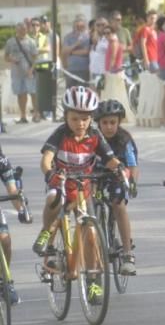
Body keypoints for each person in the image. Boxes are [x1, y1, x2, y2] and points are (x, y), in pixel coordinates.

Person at [33, 87, 122, 305]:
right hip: (61, 182)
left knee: (91, 233)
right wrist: (50, 173)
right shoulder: (60, 133)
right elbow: (46, 160)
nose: (80, 124)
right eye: (75, 119)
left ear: (91, 118)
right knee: (53, 199)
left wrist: (122, 171)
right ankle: (48, 237)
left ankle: (93, 282)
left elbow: (111, 160)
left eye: (85, 119)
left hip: (84, 187)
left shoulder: (94, 135)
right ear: (66, 117)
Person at [93, 100, 139, 276]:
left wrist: (132, 182)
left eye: (113, 122)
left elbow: (133, 165)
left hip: (118, 175)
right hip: (96, 175)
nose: (109, 127)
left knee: (118, 205)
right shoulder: (93, 137)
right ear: (98, 123)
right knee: (89, 202)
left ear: (119, 122)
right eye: (105, 123)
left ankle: (128, 255)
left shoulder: (124, 139)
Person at [0, 147, 32, 304]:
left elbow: (12, 189)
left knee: (5, 240)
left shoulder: (2, 161)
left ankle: (5, 282)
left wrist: (21, 210)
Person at [4, 22, 39, 123]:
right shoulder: (10, 42)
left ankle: (36, 114)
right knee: (21, 94)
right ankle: (23, 116)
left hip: (29, 72)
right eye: (21, 30)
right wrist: (11, 59)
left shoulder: (31, 41)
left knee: (33, 93)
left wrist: (31, 69)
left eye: (24, 29)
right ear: (17, 30)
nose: (23, 31)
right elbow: (5, 56)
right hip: (17, 73)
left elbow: (36, 57)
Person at [62, 16, 92, 85]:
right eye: (77, 26)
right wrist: (76, 44)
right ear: (74, 26)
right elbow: (64, 51)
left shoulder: (88, 37)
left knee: (83, 92)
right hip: (70, 69)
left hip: (84, 69)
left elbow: (86, 52)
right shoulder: (68, 37)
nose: (79, 28)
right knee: (71, 91)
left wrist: (71, 52)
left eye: (81, 26)